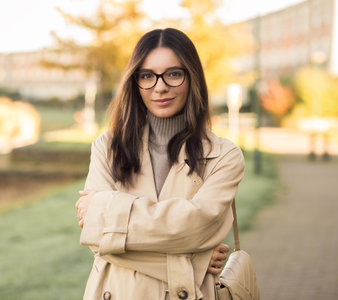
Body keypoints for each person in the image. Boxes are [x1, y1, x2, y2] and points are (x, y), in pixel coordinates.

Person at [75, 28, 245, 300]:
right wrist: (194, 261)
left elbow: (196, 225)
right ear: (135, 82)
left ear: (192, 78)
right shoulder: (107, 147)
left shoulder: (224, 156)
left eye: (174, 74)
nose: (160, 86)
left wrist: (108, 213)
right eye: (147, 76)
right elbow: (98, 240)